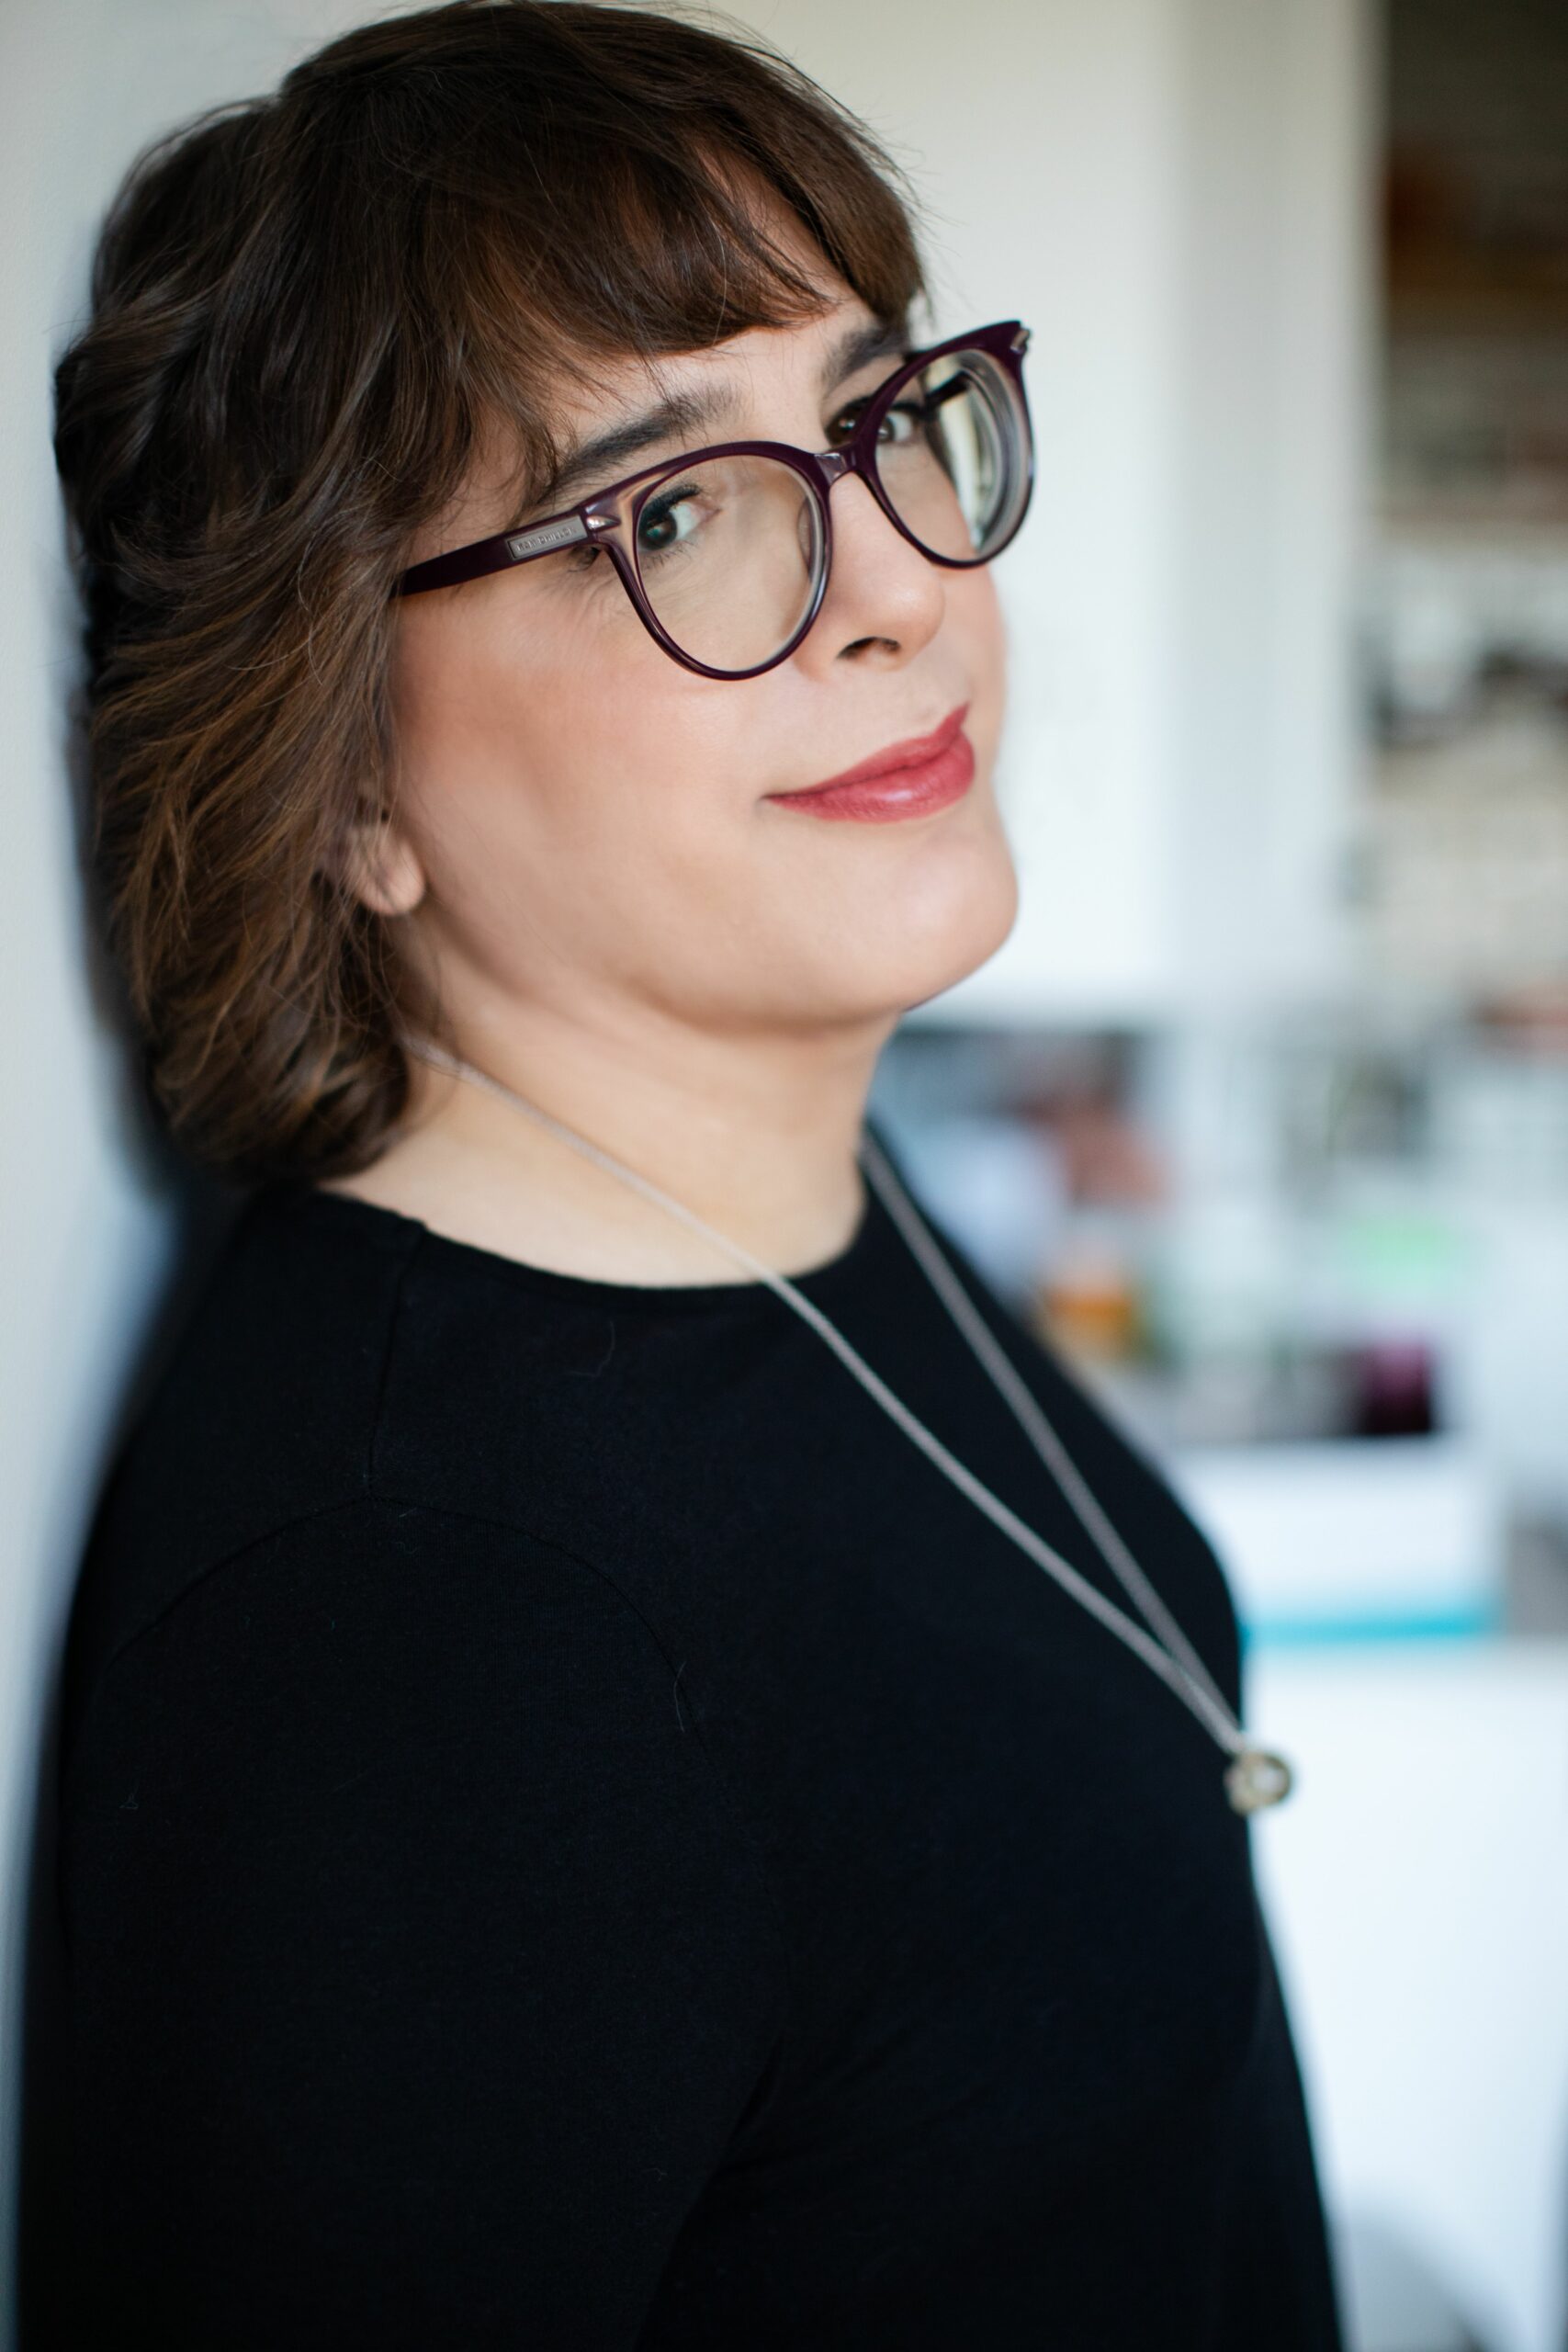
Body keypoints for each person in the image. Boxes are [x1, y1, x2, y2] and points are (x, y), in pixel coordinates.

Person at [21, 3, 1347, 2344]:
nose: (892, 587)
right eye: (667, 508)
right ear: (338, 784)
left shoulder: (767, 1193)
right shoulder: (424, 1651)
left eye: (874, 413)